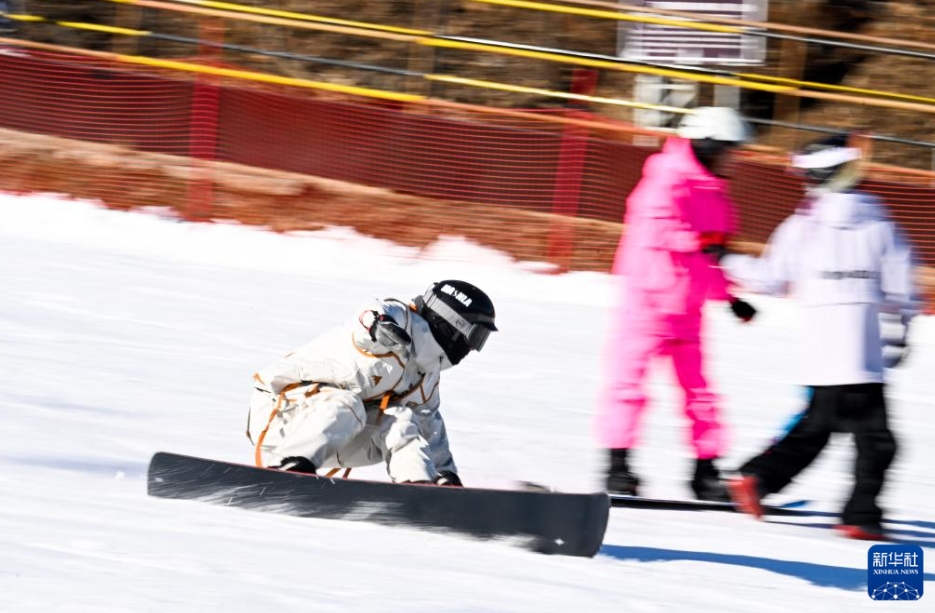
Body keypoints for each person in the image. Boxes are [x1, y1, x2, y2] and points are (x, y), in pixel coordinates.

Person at [717, 133, 919, 540]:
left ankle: (759, 478)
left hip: (823, 349)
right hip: (863, 351)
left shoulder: (802, 226)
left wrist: (725, 258)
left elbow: (771, 279)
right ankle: (860, 514)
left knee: (821, 427)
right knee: (875, 441)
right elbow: (903, 290)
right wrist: (898, 334)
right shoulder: (881, 225)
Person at [597, 106, 757, 501]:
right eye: (728, 151)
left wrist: (729, 297)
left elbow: (711, 256)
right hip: (647, 304)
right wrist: (703, 243)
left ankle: (705, 471)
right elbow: (660, 228)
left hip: (688, 309)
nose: (733, 159)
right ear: (706, 146)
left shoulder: (718, 195)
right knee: (629, 387)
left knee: (700, 393)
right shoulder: (665, 178)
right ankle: (617, 466)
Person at [246, 280, 498, 485]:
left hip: (333, 434)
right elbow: (371, 312)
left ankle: (420, 489)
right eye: (476, 336)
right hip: (279, 411)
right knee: (347, 403)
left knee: (402, 420)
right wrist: (379, 324)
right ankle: (288, 468)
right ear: (452, 324)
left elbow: (429, 424)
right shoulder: (400, 322)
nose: (474, 348)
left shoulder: (427, 375)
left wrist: (445, 474)